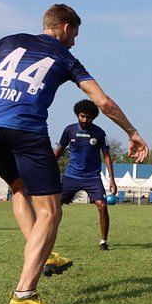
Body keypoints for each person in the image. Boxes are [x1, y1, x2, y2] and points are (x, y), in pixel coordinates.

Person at [0, 4, 148, 304]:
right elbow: (103, 102)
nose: (74, 41)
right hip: (25, 131)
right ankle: (24, 295)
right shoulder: (65, 57)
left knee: (19, 189)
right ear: (64, 26)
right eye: (74, 33)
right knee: (50, 212)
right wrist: (132, 131)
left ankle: (45, 255)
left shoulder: (7, 42)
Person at [54, 99, 117, 251]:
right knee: (54, 207)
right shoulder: (69, 130)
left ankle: (103, 241)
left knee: (102, 206)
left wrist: (112, 180)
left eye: (88, 117)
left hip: (92, 177)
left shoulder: (99, 133)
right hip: (71, 177)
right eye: (82, 116)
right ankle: (47, 237)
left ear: (93, 118)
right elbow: (59, 151)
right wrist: (46, 166)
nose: (85, 120)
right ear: (77, 114)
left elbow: (107, 155)